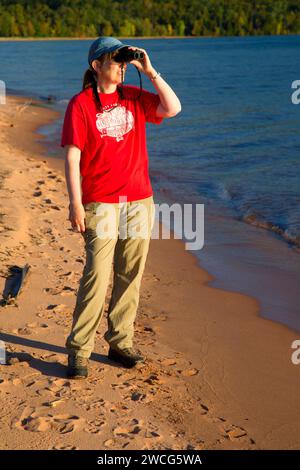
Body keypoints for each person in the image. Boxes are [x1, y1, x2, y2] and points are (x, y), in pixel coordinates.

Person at [60, 36, 181, 379]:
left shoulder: (134, 97)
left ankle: (119, 342)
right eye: (116, 60)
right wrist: (75, 203)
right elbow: (72, 155)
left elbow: (173, 108)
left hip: (139, 200)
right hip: (100, 203)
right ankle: (80, 350)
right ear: (96, 66)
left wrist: (150, 69)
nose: (123, 66)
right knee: (97, 276)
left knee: (130, 274)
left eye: (125, 61)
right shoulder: (81, 104)